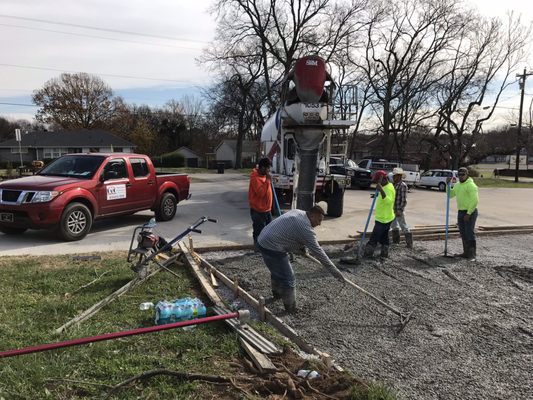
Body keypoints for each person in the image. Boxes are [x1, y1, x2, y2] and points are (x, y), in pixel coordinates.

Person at [256, 204, 346, 313]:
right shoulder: (306, 228)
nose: (319, 223)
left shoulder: (299, 212)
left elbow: (292, 232)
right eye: (319, 220)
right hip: (272, 246)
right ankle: (290, 308)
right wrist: (335, 272)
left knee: (277, 270)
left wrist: (302, 248)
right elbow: (319, 253)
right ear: (312, 216)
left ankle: (277, 295)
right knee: (288, 278)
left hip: (263, 239)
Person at [447, 167, 479, 261]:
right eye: (459, 175)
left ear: (467, 174)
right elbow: (450, 195)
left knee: (469, 232)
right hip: (460, 211)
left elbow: (475, 200)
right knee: (463, 233)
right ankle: (466, 253)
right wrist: (448, 185)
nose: (461, 177)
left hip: (470, 212)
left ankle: (472, 255)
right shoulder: (457, 185)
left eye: (463, 175)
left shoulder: (471, 185)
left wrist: (468, 213)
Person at [363, 170, 396, 258]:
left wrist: (381, 190)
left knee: (374, 238)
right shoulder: (388, 185)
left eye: (378, 181)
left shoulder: (387, 188)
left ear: (384, 179)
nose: (377, 183)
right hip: (387, 217)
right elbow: (383, 196)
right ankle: (384, 253)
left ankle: (367, 254)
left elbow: (388, 201)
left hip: (383, 219)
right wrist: (377, 195)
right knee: (384, 237)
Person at [248, 158, 273, 248]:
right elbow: (261, 193)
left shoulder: (264, 176)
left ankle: (267, 247)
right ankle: (258, 248)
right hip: (258, 210)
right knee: (259, 230)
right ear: (262, 168)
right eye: (268, 168)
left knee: (270, 229)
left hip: (267, 209)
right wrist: (267, 181)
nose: (269, 170)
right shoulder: (255, 178)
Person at [390, 167, 413, 248]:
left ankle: (409, 243)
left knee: (403, 226)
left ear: (399, 176)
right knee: (394, 226)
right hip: (393, 209)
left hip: (399, 209)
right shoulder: (394, 185)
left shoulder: (402, 185)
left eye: (394, 176)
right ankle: (396, 241)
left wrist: (400, 210)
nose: (393, 177)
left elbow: (404, 200)